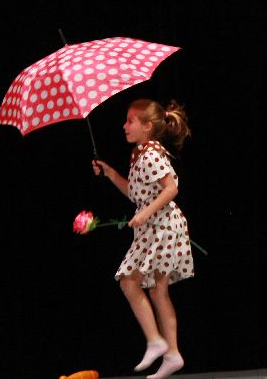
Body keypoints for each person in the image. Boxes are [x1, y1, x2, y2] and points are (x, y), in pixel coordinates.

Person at [91, 98, 194, 379]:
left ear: (147, 126)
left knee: (129, 281)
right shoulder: (140, 153)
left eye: (130, 121)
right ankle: (171, 353)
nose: (124, 126)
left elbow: (171, 189)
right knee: (157, 290)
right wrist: (110, 173)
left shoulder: (150, 154)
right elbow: (135, 193)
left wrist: (145, 213)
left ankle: (157, 342)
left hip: (163, 227)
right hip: (153, 227)